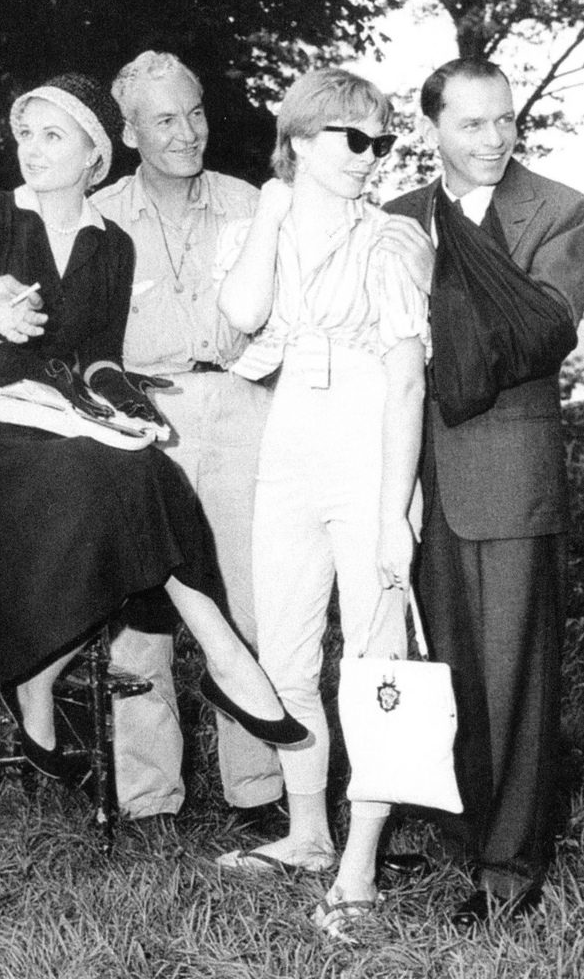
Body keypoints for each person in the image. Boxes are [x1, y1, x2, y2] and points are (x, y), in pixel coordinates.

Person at [0, 72, 306, 782]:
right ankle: (214, 671)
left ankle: (51, 680)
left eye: (52, 135)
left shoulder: (112, 241)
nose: (32, 149)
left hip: (92, 424)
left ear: (91, 153)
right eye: (27, 133)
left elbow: (99, 359)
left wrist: (122, 408)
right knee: (132, 477)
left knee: (142, 475)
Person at [215, 69, 432, 943]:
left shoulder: (393, 240)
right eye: (352, 139)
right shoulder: (253, 225)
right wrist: (270, 217)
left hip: (369, 452)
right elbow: (240, 316)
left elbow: (409, 380)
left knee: (374, 660)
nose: (369, 158)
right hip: (289, 448)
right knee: (286, 651)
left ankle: (360, 861)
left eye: (380, 142)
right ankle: (307, 832)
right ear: (299, 140)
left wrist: (391, 514)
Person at [384, 57, 584, 927]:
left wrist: (424, 298)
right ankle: (456, 820)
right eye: (472, 124)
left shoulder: (557, 208)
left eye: (504, 120)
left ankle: (509, 868)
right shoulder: (393, 217)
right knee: (443, 668)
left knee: (514, 676)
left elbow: (537, 331)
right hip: (412, 472)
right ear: (431, 128)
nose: (496, 138)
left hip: (506, 472)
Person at [91, 51, 285, 829]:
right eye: (164, 120)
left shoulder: (250, 205)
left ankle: (259, 788)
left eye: (195, 113)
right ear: (130, 131)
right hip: (141, 418)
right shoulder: (97, 214)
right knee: (142, 606)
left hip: (240, 408)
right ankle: (148, 797)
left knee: (245, 599)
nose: (186, 133)